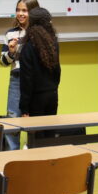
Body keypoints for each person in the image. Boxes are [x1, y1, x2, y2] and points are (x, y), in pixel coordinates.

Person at [19, 8, 68, 137]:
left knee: (37, 138)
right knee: (50, 136)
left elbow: (26, 80)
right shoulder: (53, 44)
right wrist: (53, 88)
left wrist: (24, 108)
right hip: (52, 95)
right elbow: (58, 71)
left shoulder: (28, 48)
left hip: (35, 100)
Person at [0, 0, 38, 149]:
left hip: (35, 80)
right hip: (17, 79)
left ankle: (33, 151)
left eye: (24, 10)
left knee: (34, 118)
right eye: (18, 10)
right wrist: (11, 52)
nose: (20, 14)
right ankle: (12, 154)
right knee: (13, 117)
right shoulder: (10, 34)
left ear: (33, 12)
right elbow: (3, 62)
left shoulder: (39, 32)